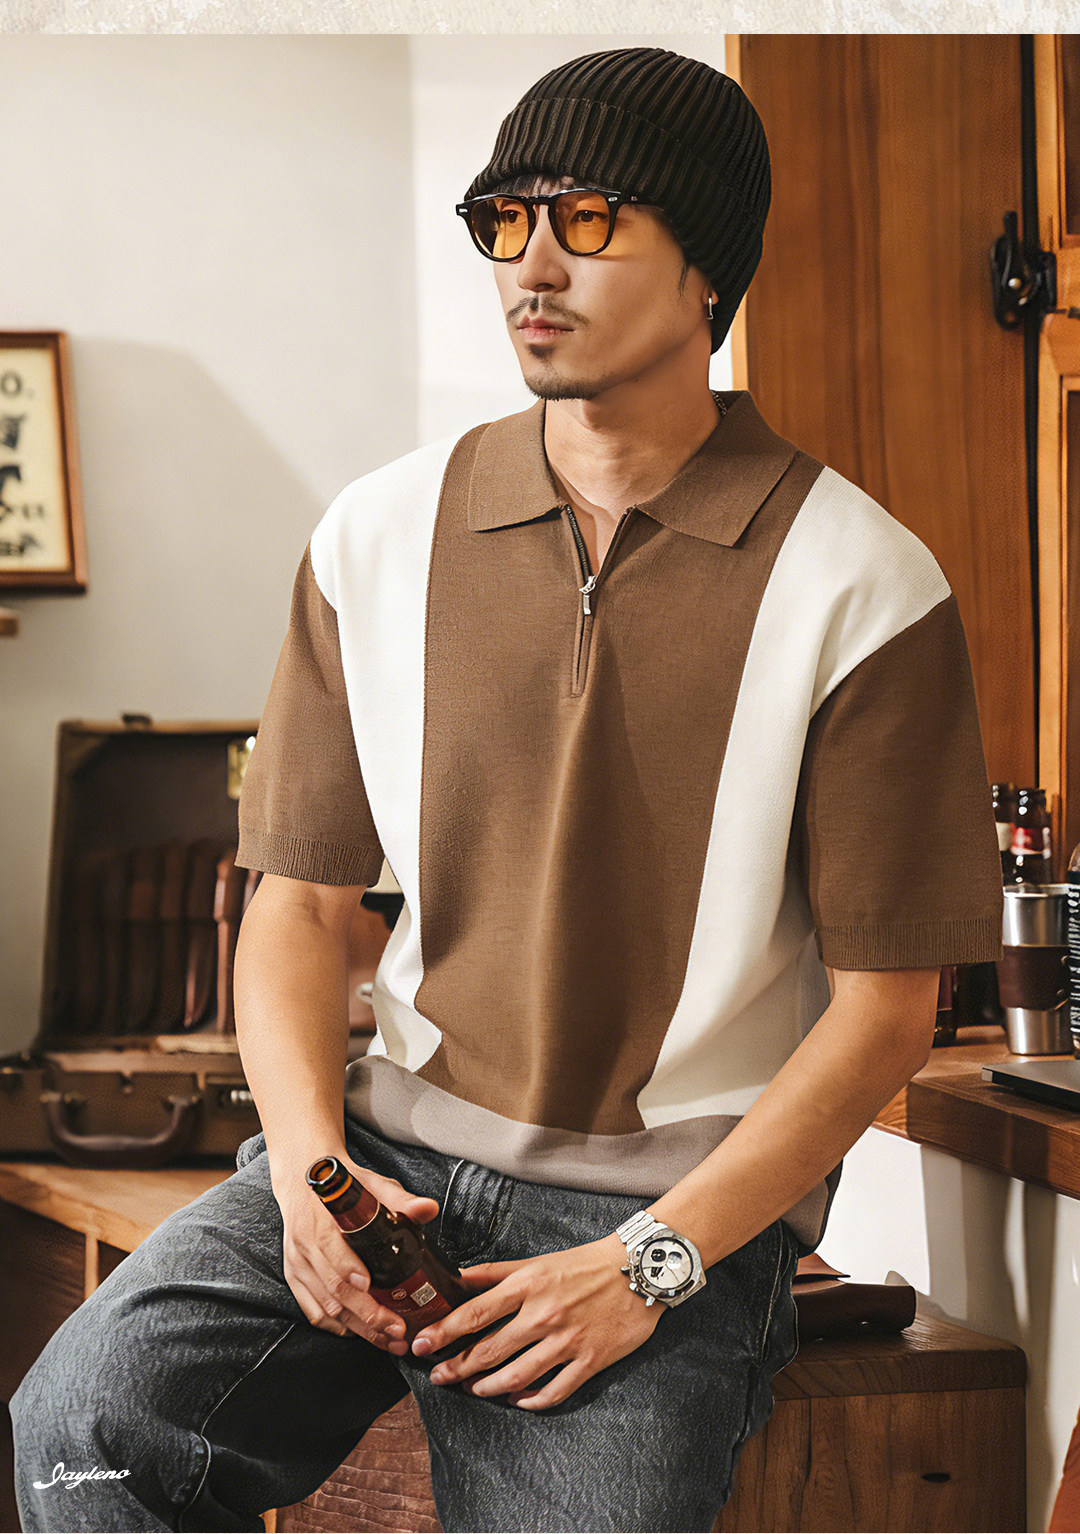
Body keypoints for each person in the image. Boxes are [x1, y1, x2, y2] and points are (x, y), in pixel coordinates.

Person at [11, 46, 1005, 1534]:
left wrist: (654, 1264)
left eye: (589, 219)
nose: (532, 266)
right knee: (77, 1433)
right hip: (381, 1160)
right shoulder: (374, 537)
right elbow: (298, 910)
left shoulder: (863, 585)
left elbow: (885, 1012)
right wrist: (310, 1175)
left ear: (710, 268)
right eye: (505, 220)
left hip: (662, 1222)